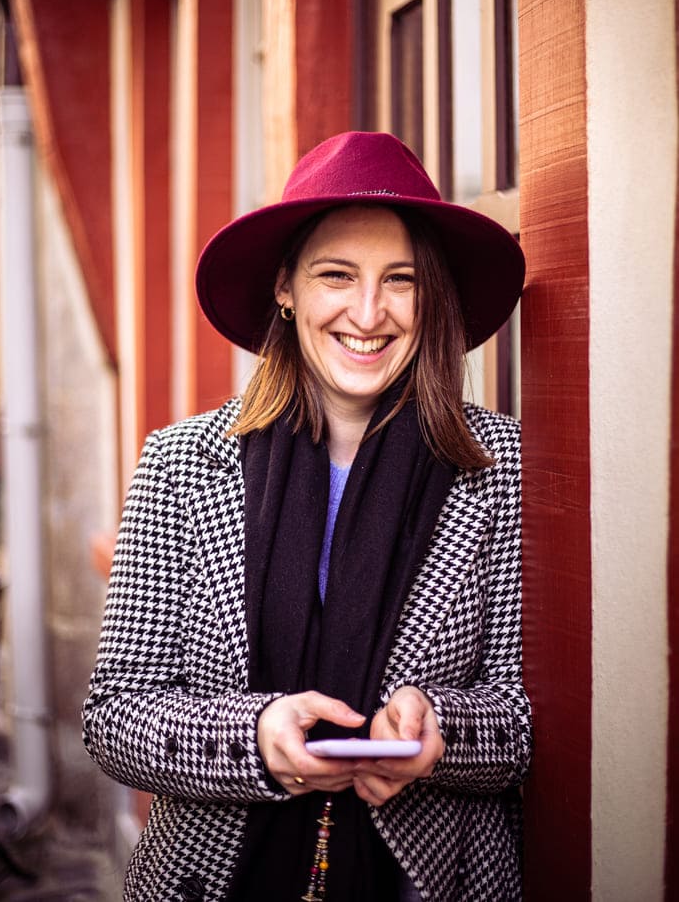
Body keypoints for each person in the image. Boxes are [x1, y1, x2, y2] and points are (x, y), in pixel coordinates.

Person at [83, 131, 531, 902]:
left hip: (433, 880)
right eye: (336, 275)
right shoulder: (181, 465)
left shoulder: (499, 467)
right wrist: (255, 739)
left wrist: (440, 732)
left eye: (400, 279)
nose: (368, 311)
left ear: (431, 296)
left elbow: (520, 723)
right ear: (285, 289)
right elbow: (116, 716)